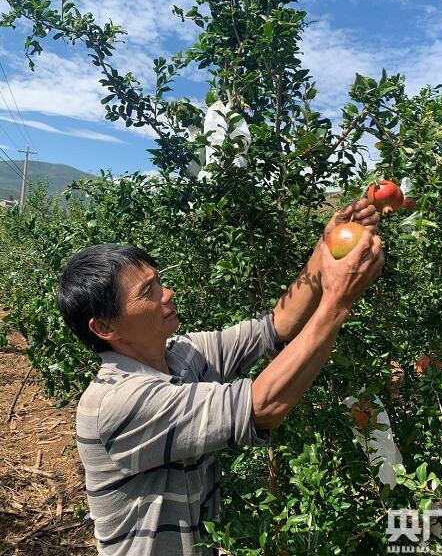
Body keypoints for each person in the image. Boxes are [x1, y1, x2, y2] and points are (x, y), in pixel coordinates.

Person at [56, 199, 383, 556]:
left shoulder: (180, 355)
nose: (167, 294)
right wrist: (337, 302)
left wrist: (325, 248)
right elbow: (262, 406)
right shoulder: (118, 402)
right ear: (105, 327)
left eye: (159, 282)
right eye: (147, 292)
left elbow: (275, 326)